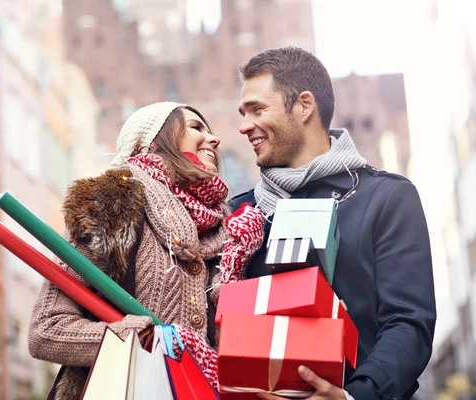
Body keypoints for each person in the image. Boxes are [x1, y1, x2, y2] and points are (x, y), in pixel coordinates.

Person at [229, 47, 436, 400]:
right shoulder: (240, 213)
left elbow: (408, 324)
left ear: (305, 105)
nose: (244, 125)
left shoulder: (386, 198)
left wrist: (355, 396)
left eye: (257, 109)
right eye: (243, 112)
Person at [28, 102, 264, 399]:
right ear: (153, 142)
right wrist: (146, 340)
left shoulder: (230, 229)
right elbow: (47, 330)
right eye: (196, 127)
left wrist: (236, 265)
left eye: (211, 130)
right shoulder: (114, 205)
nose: (214, 139)